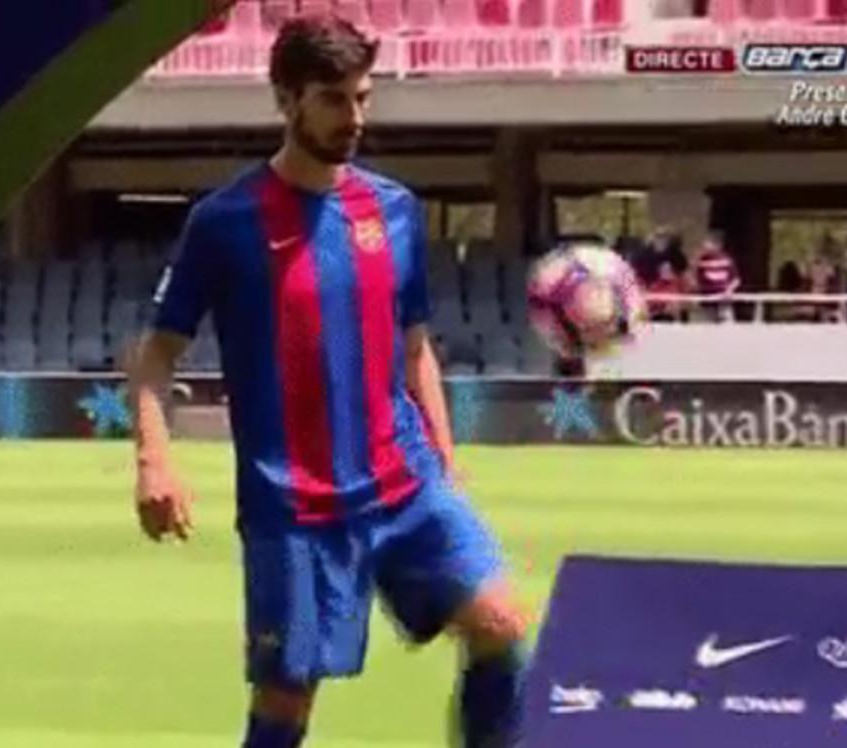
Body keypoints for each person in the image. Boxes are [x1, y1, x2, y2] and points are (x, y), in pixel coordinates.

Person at [128, 15, 531, 748]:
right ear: (286, 100)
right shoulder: (224, 223)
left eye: (363, 98)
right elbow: (155, 355)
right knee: (286, 705)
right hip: (296, 507)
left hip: (406, 486)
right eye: (334, 100)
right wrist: (154, 461)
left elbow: (415, 351)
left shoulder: (396, 211)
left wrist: (445, 463)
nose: (354, 118)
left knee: (502, 624)